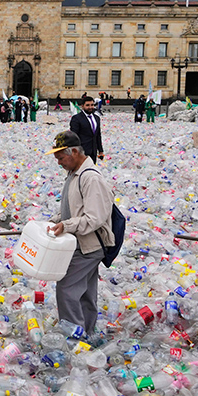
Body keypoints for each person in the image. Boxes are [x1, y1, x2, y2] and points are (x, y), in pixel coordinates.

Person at [46, 131, 113, 337]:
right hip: (81, 242)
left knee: (66, 289)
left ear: (74, 152)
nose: (59, 163)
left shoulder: (90, 178)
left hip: (90, 245)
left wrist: (66, 226)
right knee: (85, 291)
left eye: (61, 158)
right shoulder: (74, 174)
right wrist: (55, 221)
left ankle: (74, 336)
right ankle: (88, 332)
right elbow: (72, 208)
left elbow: (94, 218)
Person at [69, 94, 104, 163]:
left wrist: (100, 150)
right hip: (81, 152)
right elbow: (74, 136)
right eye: (87, 105)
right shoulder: (76, 118)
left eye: (92, 105)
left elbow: (98, 135)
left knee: (91, 172)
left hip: (93, 152)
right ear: (82, 106)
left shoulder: (97, 118)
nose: (90, 107)